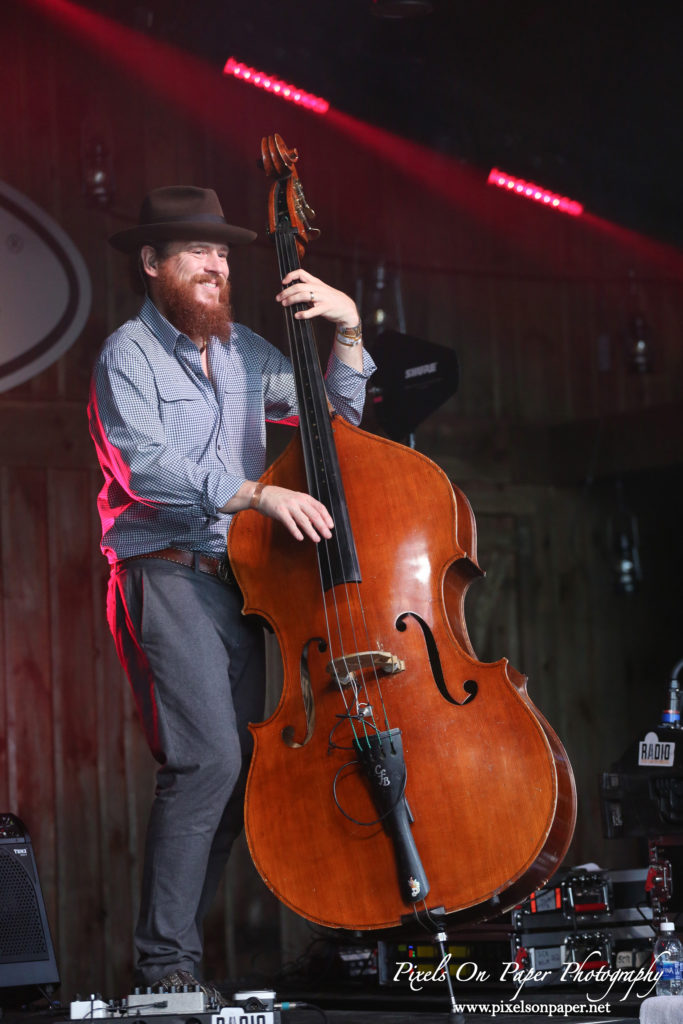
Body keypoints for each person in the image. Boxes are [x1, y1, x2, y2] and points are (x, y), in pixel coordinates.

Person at [88, 185, 375, 997]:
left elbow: (332, 426)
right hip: (165, 573)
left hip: (243, 588)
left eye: (221, 252)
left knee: (244, 768)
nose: (216, 265)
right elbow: (142, 469)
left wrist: (347, 328)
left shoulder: (250, 351)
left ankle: (174, 967)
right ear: (152, 264)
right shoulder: (126, 356)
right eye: (194, 251)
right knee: (205, 760)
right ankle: (165, 973)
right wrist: (255, 494)